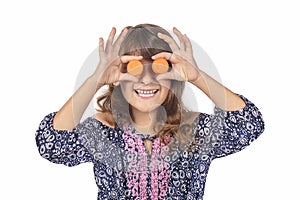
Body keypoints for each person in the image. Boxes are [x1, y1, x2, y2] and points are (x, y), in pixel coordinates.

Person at [35, 23, 265, 200]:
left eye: (158, 68)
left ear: (173, 78)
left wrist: (197, 76)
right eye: (133, 69)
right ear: (117, 79)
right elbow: (52, 144)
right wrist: (96, 80)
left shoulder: (194, 132)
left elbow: (249, 124)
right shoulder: (102, 132)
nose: (146, 79)